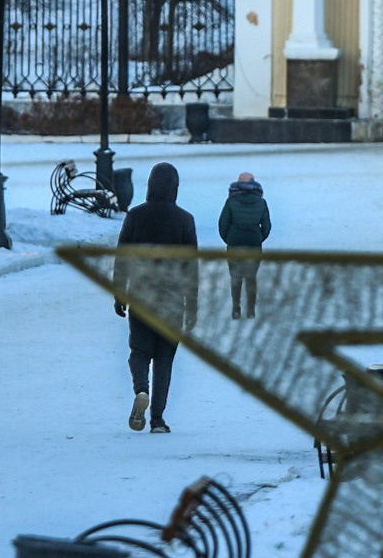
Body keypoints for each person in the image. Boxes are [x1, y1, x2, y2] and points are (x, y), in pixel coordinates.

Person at [115, 162, 198, 432]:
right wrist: (192, 305)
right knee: (164, 359)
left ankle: (141, 390)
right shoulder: (184, 219)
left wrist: (119, 293)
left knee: (139, 351)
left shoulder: (135, 216)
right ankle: (158, 420)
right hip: (172, 300)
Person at [217, 170, 272, 319]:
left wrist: (229, 239)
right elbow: (266, 226)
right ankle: (251, 309)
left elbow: (222, 224)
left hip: (234, 243)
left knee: (235, 277)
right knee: (251, 277)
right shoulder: (261, 202)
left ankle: (236, 308)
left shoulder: (231, 201)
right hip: (253, 244)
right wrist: (258, 238)